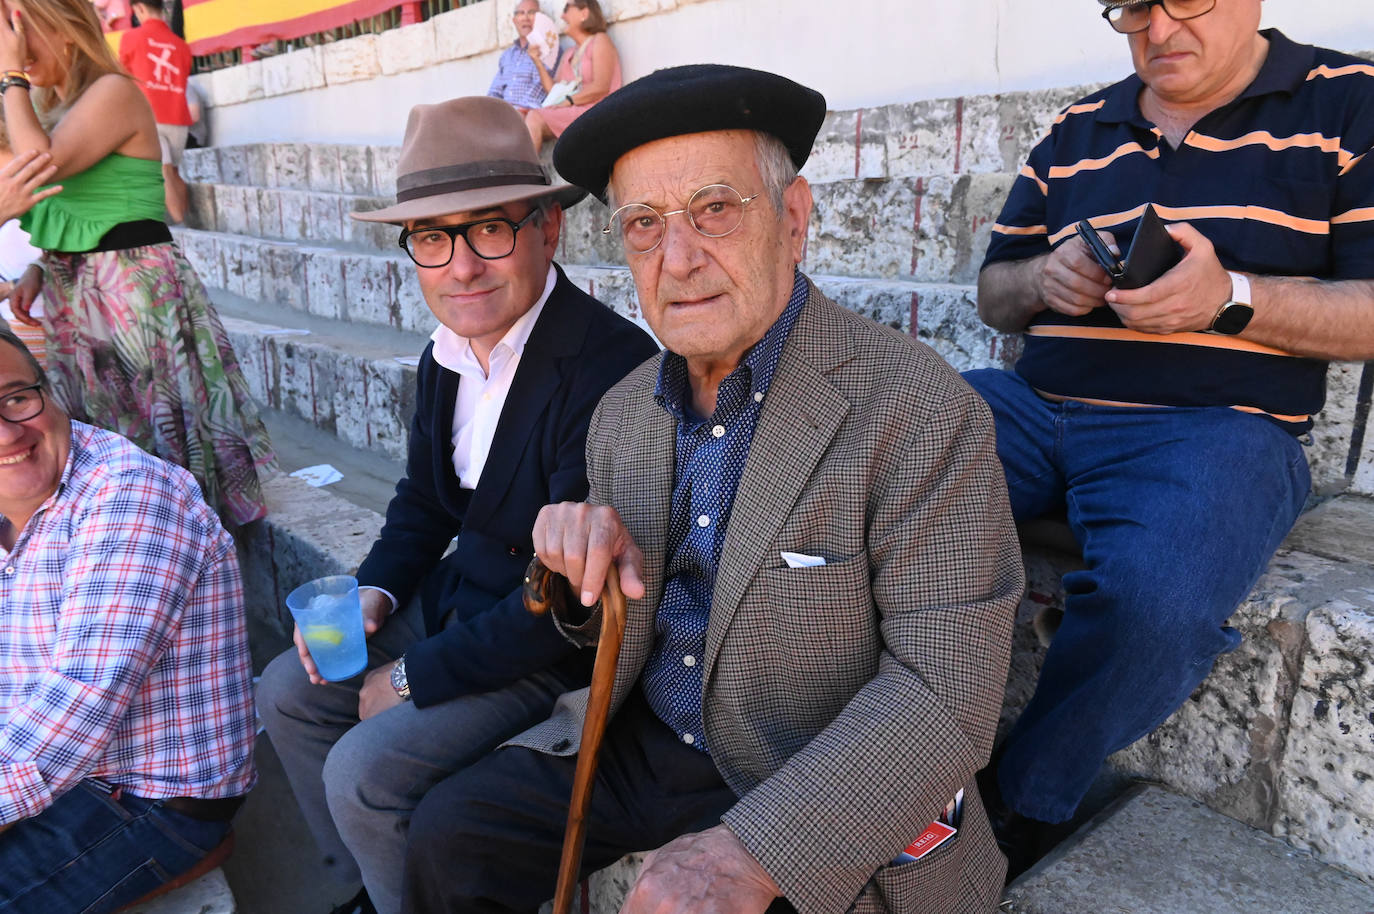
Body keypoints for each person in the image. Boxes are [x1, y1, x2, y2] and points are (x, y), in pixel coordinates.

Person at [401, 64, 1024, 914]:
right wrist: (579, 577)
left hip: (813, 759)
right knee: (451, 834)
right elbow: (609, 625)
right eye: (645, 225)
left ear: (795, 220)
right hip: (654, 740)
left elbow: (946, 693)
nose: (680, 259)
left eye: (716, 210)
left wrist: (752, 853)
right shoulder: (624, 412)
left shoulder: (916, 407)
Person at [966, 0, 1374, 879]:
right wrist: (1044, 275)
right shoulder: (1082, 125)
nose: (1158, 30)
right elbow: (993, 295)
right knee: (863, 475)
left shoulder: (1348, 99)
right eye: (1134, 7)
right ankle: (861, 756)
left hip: (1217, 432)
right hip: (1035, 407)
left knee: (1155, 601)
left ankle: (1016, 801)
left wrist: (1231, 296)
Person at [255, 96, 658, 914]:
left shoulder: (612, 366)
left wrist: (409, 676)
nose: (461, 266)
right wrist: (374, 592)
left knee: (362, 772)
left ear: (550, 227)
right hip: (458, 606)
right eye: (433, 238)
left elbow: (568, 602)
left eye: (489, 229)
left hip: (545, 650)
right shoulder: (446, 351)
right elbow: (423, 503)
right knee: (285, 695)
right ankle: (365, 891)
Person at [0, 326, 256, 913]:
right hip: (48, 767)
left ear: (49, 387)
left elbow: (81, 700)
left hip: (144, 801)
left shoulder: (129, 498)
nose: (8, 433)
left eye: (16, 397)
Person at [0, 0, 275, 527]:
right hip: (76, 289)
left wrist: (11, 75)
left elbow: (39, 167)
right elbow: (68, 202)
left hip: (128, 287)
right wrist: (41, 263)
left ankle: (183, 545)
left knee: (153, 434)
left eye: (21, 34)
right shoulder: (47, 105)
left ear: (64, 28)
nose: (17, 51)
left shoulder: (114, 91)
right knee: (104, 434)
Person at [119, 0, 193, 222]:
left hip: (150, 117)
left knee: (164, 173)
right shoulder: (181, 44)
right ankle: (188, 219)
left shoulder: (131, 38)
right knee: (175, 173)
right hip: (179, 118)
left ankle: (181, 227)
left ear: (139, 8)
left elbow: (121, 78)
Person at [523, 0, 619, 151]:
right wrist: (537, 62)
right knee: (528, 117)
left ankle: (526, 173)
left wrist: (568, 101)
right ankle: (523, 171)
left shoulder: (600, 40)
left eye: (567, 8)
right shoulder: (569, 53)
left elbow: (601, 86)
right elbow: (554, 90)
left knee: (535, 117)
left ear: (584, 13)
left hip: (597, 110)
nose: (562, 16)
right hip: (575, 111)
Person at [488, 0, 558, 112]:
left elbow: (549, 93)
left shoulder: (550, 50)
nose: (526, 18)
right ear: (514, 21)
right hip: (502, 114)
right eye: (521, 13)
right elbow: (494, 92)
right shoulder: (507, 55)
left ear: (541, 19)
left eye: (531, 12)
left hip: (528, 115)